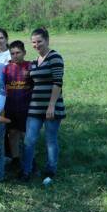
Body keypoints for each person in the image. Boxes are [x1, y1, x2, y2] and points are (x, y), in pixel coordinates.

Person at [21, 28, 66, 182]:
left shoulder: (55, 57)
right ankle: (26, 171)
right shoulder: (34, 62)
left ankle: (50, 170)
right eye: (33, 42)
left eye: (39, 41)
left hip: (51, 107)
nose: (36, 45)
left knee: (50, 140)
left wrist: (51, 105)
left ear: (47, 40)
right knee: (29, 139)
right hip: (34, 107)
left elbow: (58, 82)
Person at [2, 40, 32, 166]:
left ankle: (29, 159)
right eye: (12, 53)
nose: (15, 55)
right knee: (12, 132)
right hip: (10, 107)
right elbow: (2, 87)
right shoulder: (6, 69)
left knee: (26, 135)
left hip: (26, 107)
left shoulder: (30, 66)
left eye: (18, 52)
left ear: (24, 52)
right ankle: (15, 158)